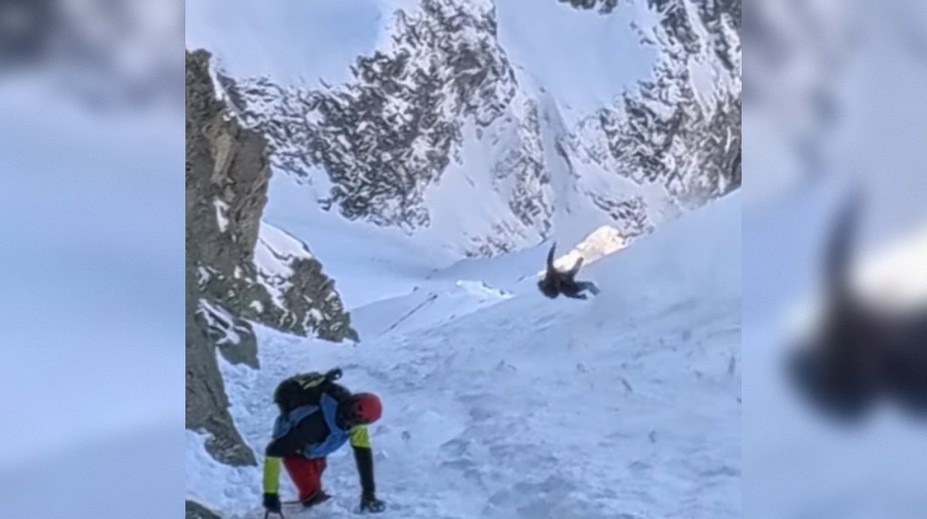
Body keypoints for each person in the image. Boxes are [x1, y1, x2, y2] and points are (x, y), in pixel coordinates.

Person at [262, 369, 387, 515]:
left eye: (355, 421)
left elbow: (363, 455)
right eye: (350, 417)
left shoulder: (355, 425)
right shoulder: (316, 424)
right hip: (295, 437)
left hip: (313, 440)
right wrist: (270, 495)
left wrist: (369, 493)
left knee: (318, 464)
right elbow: (274, 451)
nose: (350, 422)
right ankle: (313, 501)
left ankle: (314, 496)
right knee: (309, 487)